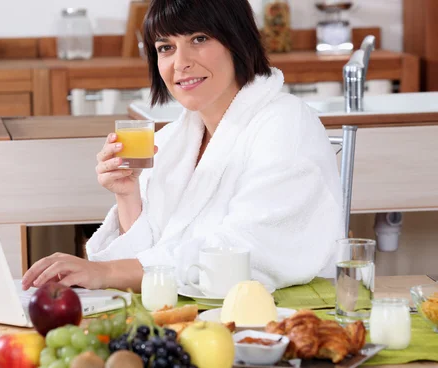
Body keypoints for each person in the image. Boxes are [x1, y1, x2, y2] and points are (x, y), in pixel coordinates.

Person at [21, 0, 343, 293]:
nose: (180, 63)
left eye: (198, 39)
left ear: (237, 39)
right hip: (195, 324)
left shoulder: (286, 124)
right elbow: (146, 265)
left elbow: (241, 254)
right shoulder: (172, 141)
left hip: (284, 327)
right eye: (165, 47)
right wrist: (127, 194)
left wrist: (104, 271)